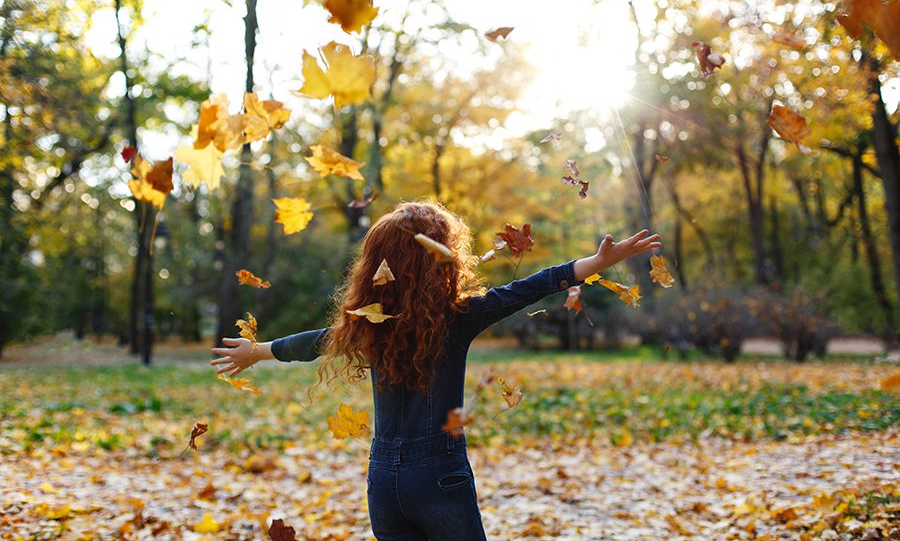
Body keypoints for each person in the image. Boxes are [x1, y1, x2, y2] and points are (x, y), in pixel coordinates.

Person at [209, 200, 661, 541]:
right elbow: (530, 287)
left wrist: (259, 351)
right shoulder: (458, 317)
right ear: (442, 259)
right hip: (440, 479)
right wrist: (597, 264)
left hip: (383, 479)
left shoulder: (367, 326)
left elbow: (313, 343)